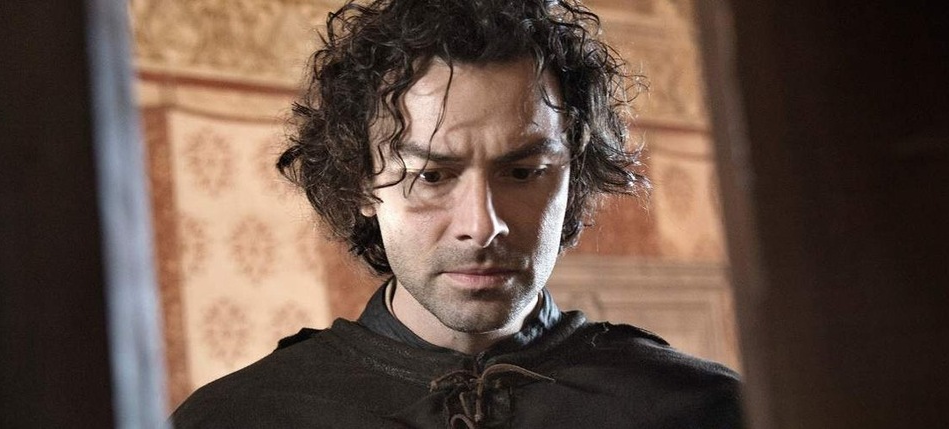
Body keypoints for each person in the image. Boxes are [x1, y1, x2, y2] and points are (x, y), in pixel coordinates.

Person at [171, 0, 743, 427]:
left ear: (575, 174)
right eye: (432, 176)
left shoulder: (707, 409)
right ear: (362, 182)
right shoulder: (239, 418)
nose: (483, 225)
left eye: (524, 172)